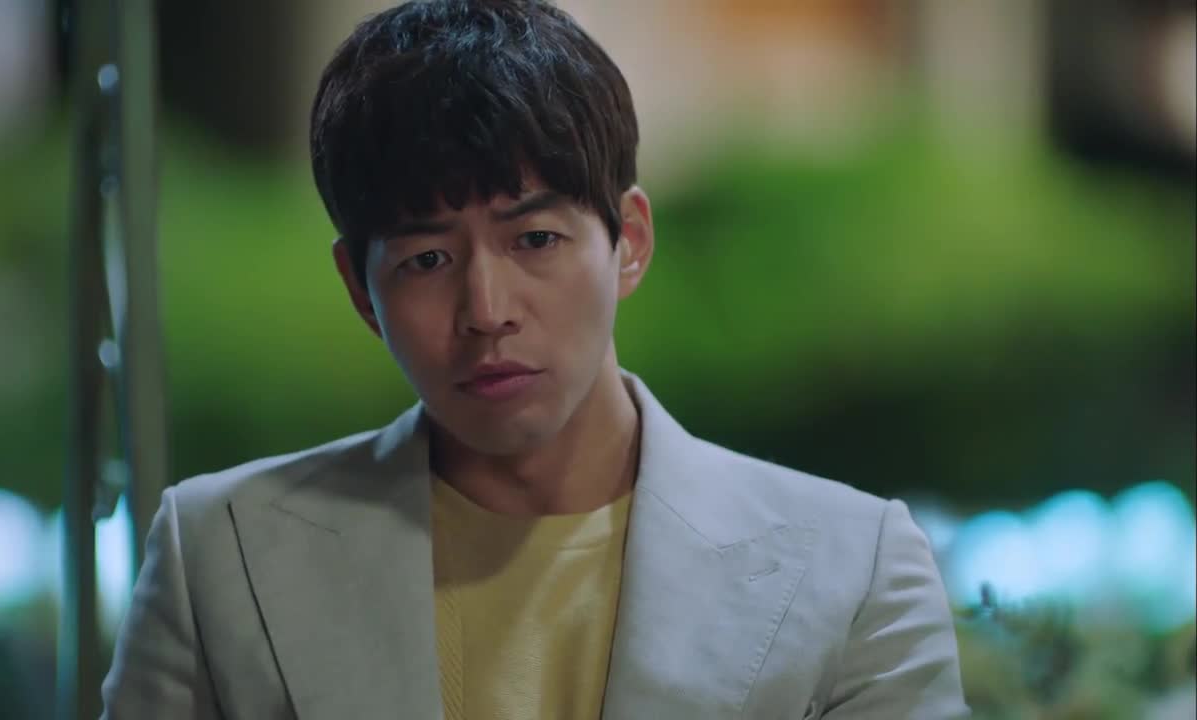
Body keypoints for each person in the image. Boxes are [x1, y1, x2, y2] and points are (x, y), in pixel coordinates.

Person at [100, 1, 968, 718]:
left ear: (629, 241)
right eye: (426, 259)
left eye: (536, 239)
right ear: (360, 290)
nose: (487, 311)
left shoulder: (853, 569)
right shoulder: (222, 554)